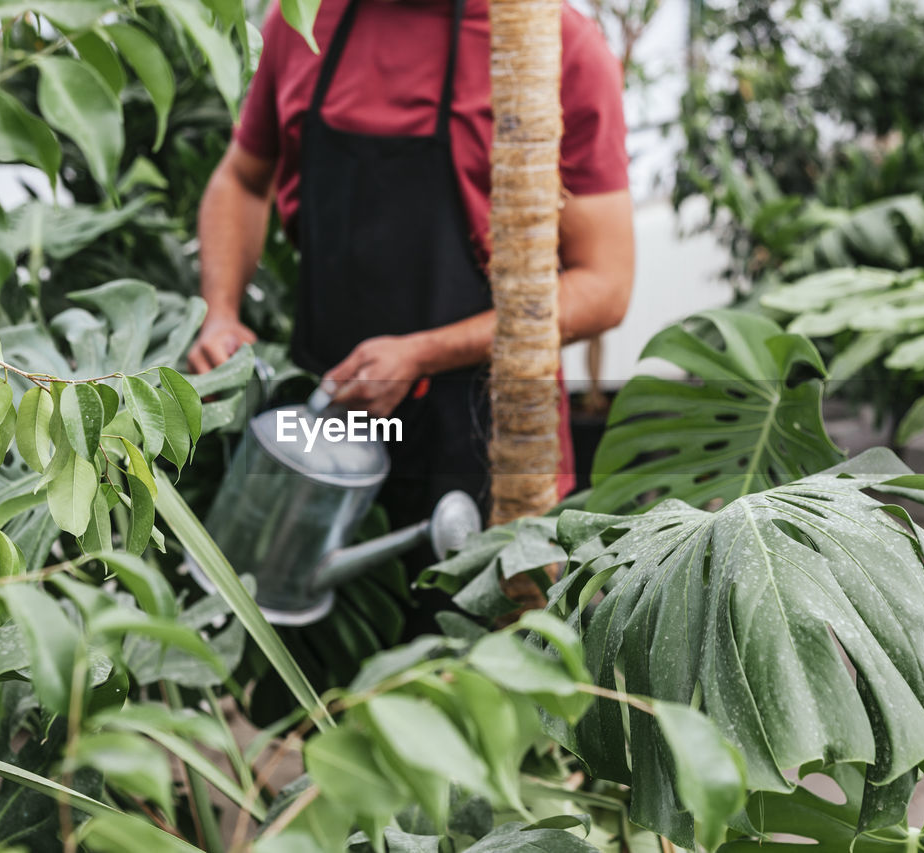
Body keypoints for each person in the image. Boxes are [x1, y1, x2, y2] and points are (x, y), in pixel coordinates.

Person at [189, 0, 634, 529]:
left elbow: (605, 285)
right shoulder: (304, 21)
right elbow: (241, 179)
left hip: (486, 433)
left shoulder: (556, 44)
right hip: (328, 414)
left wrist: (422, 354)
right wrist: (220, 311)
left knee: (479, 608)